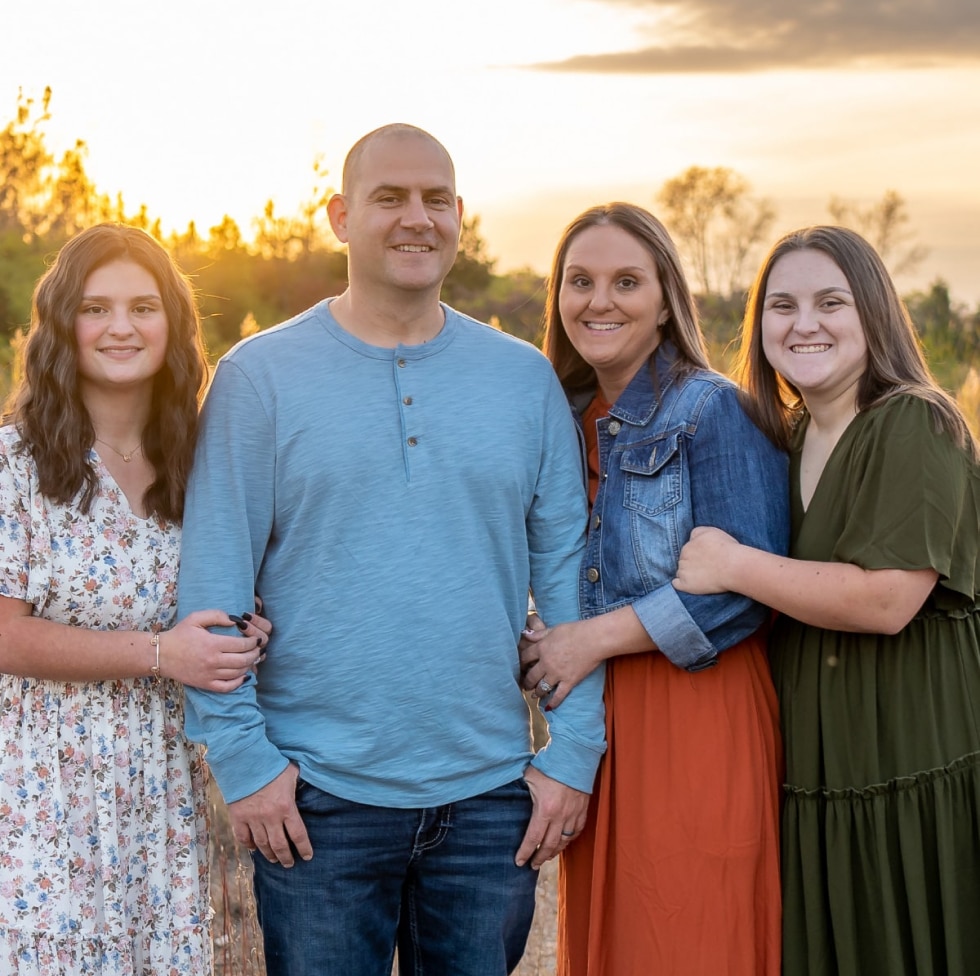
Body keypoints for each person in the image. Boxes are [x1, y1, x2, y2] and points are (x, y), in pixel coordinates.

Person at [175, 123, 606, 976]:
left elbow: (569, 582)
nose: (418, 218)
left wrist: (576, 754)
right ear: (339, 216)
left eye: (435, 199)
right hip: (316, 798)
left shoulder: (522, 380)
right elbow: (215, 580)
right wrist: (244, 760)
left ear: (458, 216)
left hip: (489, 796)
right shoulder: (259, 377)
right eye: (389, 198)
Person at [673, 224, 980, 975]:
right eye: (782, 305)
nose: (804, 323)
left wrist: (734, 563)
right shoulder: (785, 437)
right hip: (818, 771)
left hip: (914, 757)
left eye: (829, 301)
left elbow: (885, 600)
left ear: (872, 311)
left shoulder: (915, 421)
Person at [517, 203, 789, 975]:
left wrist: (588, 639)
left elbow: (743, 592)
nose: (599, 301)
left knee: (689, 933)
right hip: (600, 716)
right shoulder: (562, 419)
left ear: (667, 298)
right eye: (581, 281)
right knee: (616, 939)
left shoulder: (710, 410)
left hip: (696, 710)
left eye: (626, 281)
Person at [0, 223, 270, 975]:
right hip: (41, 793)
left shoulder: (201, 463)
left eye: (144, 307)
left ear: (173, 325)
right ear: (63, 326)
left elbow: (222, 600)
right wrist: (162, 654)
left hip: (162, 786)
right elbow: (4, 636)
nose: (121, 327)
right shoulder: (13, 465)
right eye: (96, 309)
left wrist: (240, 635)